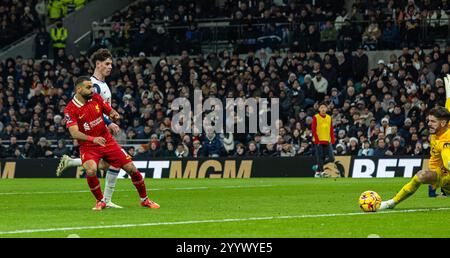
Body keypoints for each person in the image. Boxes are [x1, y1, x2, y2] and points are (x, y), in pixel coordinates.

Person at [63, 76, 160, 210]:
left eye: (92, 86)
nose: (92, 89)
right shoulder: (70, 109)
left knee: (132, 169)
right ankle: (100, 201)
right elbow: (74, 133)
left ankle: (145, 200)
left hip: (107, 141)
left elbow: (107, 109)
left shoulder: (95, 97)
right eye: (88, 87)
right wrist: (93, 139)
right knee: (91, 170)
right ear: (79, 89)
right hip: (89, 146)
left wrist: (113, 114)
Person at [57, 49, 123, 208]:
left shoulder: (103, 85)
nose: (110, 67)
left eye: (111, 64)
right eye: (107, 64)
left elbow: (103, 108)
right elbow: (87, 109)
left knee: (109, 165)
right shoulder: (93, 86)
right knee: (117, 162)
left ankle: (72, 162)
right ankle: (105, 200)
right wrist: (109, 123)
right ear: (98, 64)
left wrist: (111, 116)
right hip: (93, 132)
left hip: (101, 131)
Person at [379, 106, 450, 210]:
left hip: (446, 174)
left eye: (433, 121)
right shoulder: (440, 129)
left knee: (422, 175)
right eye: (429, 120)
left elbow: (447, 158)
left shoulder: (445, 141)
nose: (429, 124)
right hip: (439, 173)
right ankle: (391, 203)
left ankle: (391, 203)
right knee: (421, 176)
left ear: (443, 123)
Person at [311, 102, 335, 178]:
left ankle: (318, 168)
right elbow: (313, 129)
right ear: (319, 109)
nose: (323, 109)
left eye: (324, 107)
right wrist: (317, 140)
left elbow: (331, 129)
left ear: (327, 109)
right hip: (318, 141)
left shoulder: (329, 117)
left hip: (327, 140)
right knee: (320, 157)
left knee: (331, 158)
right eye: (321, 107)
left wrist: (333, 139)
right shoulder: (316, 117)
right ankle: (322, 172)